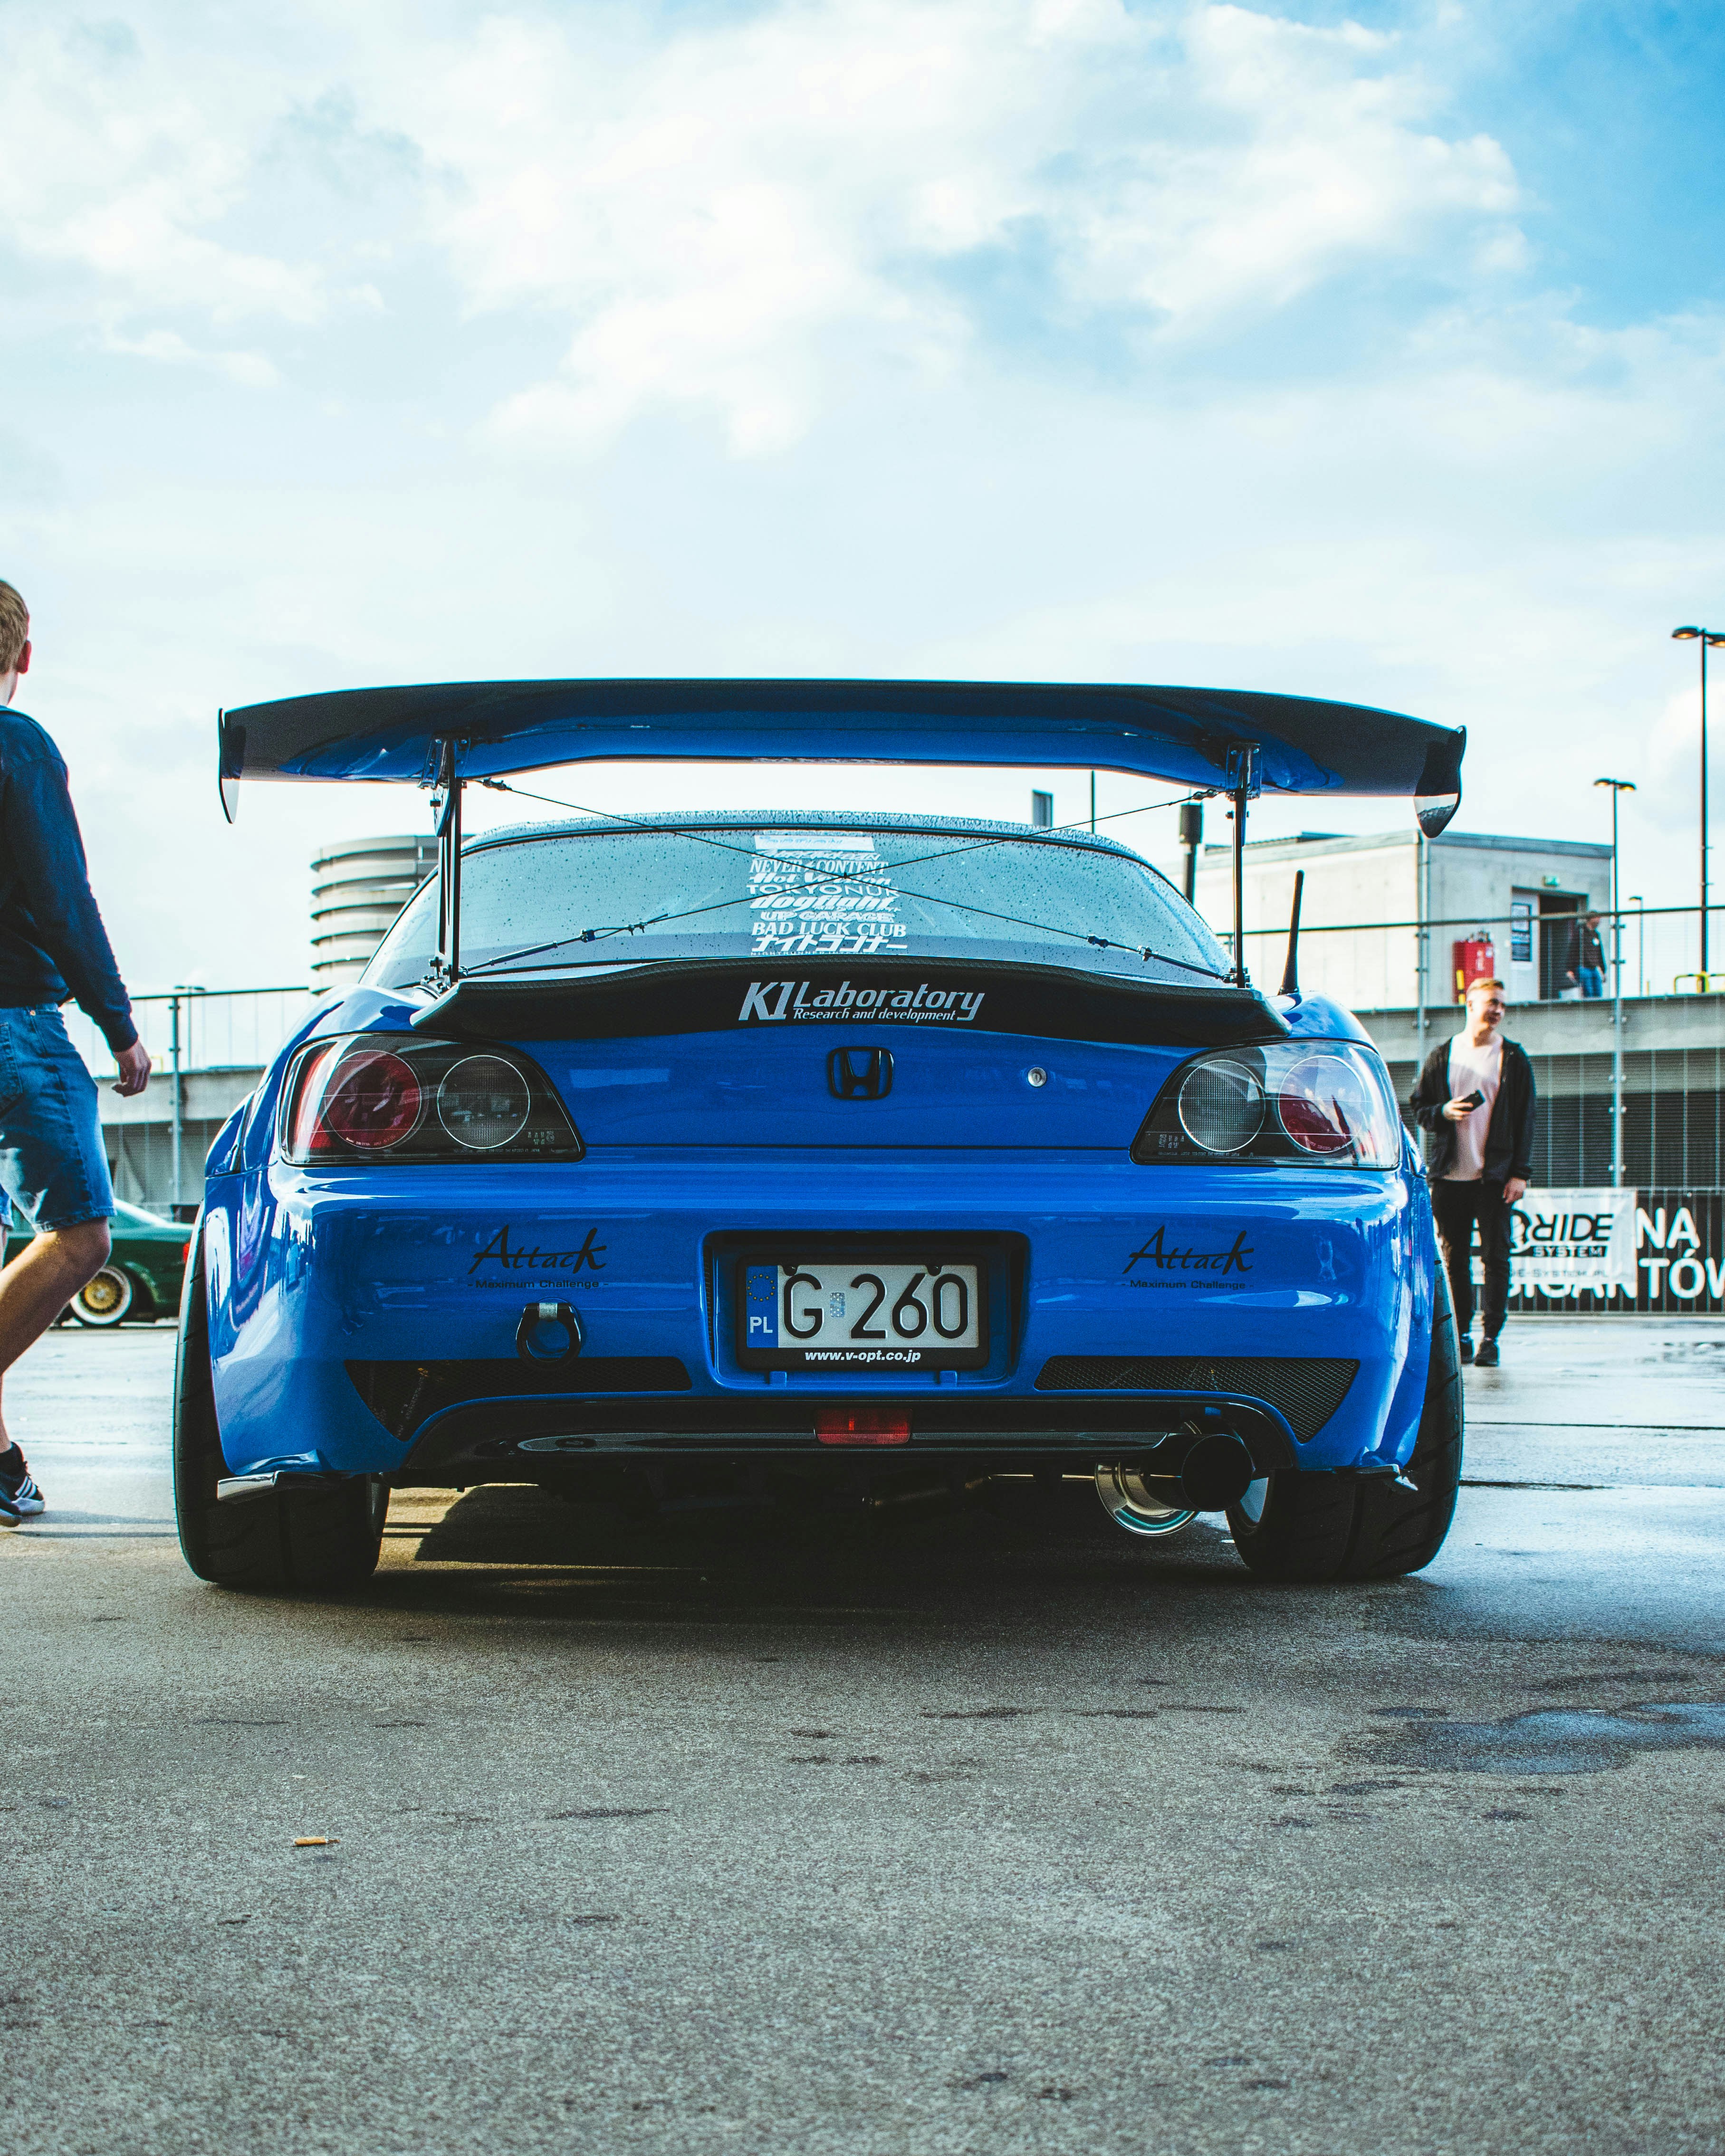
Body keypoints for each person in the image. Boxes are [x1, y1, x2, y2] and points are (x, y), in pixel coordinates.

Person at [0, 580, 150, 1526]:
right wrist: (118, 1019)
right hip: (11, 1017)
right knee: (80, 1236)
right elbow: (62, 896)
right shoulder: (17, 744)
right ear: (21, 656)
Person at [1412, 976, 1536, 1368]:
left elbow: (1526, 1119)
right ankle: (1461, 1334)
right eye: (1492, 1003)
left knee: (1496, 1258)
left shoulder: (1513, 1058)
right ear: (1470, 1004)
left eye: (1503, 1004)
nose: (1498, 1010)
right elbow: (1419, 1108)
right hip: (1450, 1177)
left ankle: (1490, 1339)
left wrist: (1521, 1172)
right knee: (1454, 1258)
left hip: (1495, 1178)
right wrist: (1444, 1112)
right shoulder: (1443, 1055)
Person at [1572, 911, 1606, 999]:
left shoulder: (1596, 935)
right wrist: (1570, 969)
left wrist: (1603, 970)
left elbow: (1599, 953)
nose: (1599, 921)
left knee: (1598, 992)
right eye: (1597, 918)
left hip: (1594, 968)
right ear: (1591, 919)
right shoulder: (1580, 933)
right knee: (1589, 992)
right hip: (1583, 967)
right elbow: (1572, 950)